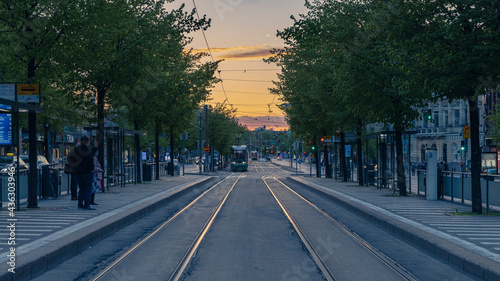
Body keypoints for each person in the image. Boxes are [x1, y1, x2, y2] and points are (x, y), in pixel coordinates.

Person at [68, 136, 95, 210]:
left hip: (79, 172)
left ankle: (80, 203)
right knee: (87, 189)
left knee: (81, 188)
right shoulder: (87, 150)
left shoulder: (76, 151)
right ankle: (87, 204)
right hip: (87, 172)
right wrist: (92, 169)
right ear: (87, 142)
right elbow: (90, 162)